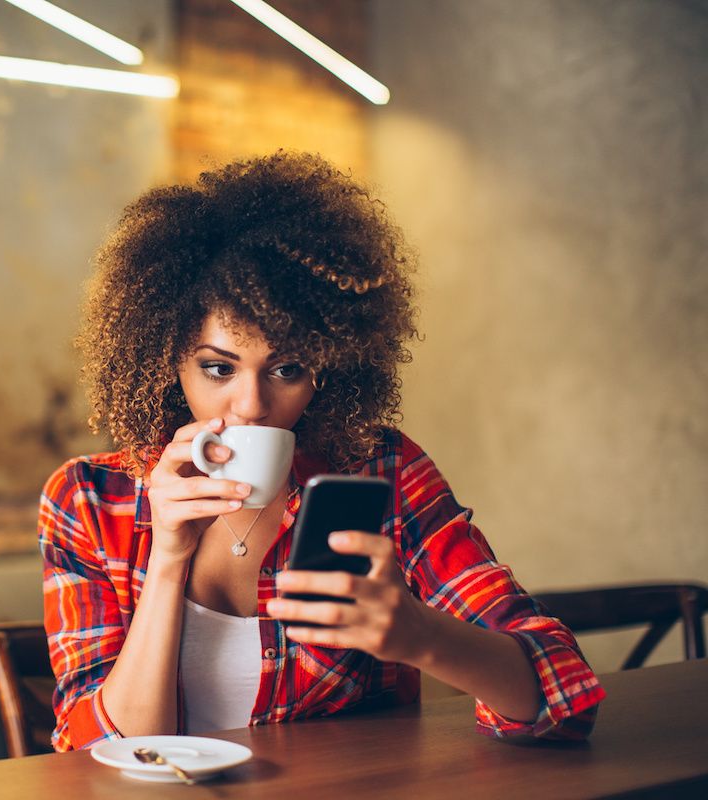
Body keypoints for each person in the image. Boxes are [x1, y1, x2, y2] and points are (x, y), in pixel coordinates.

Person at [38, 151, 604, 752]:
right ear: (164, 359)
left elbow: (564, 698)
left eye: (286, 367)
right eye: (217, 368)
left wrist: (418, 635)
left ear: (328, 368)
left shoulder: (378, 471)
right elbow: (97, 755)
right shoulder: (91, 501)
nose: (251, 404)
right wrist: (169, 560)